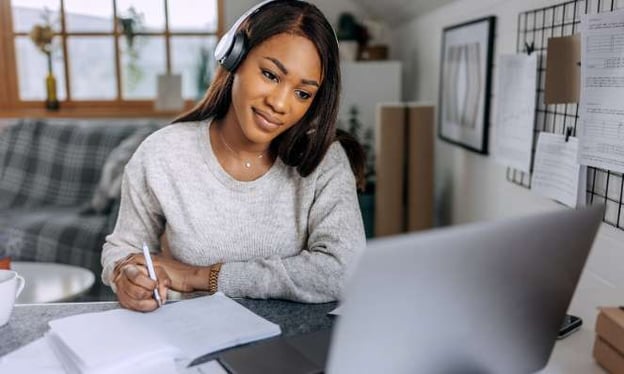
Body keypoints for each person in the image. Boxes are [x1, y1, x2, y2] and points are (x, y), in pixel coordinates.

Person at [101, 0, 366, 312]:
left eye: (303, 93)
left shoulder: (325, 159)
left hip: (289, 345)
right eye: (270, 74)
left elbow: (345, 271)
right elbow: (124, 248)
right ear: (234, 58)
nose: (280, 104)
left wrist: (200, 277)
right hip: (188, 337)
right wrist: (126, 275)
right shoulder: (163, 153)